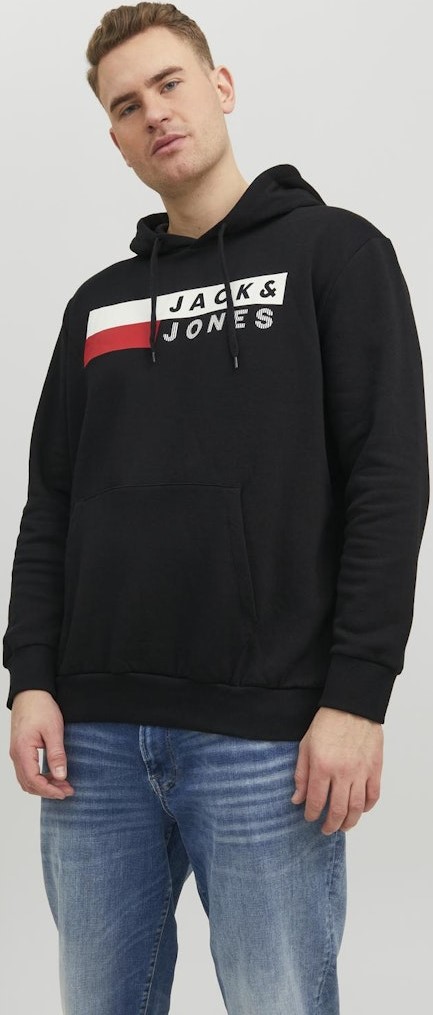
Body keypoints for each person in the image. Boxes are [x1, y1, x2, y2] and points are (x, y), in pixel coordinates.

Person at [3, 3, 429, 1013]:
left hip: (266, 738)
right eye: (125, 105)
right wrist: (29, 680)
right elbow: (50, 503)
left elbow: (387, 479)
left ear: (220, 86)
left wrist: (357, 696)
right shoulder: (98, 304)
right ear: (114, 138)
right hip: (94, 742)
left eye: (169, 83)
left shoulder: (335, 255)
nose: (153, 112)